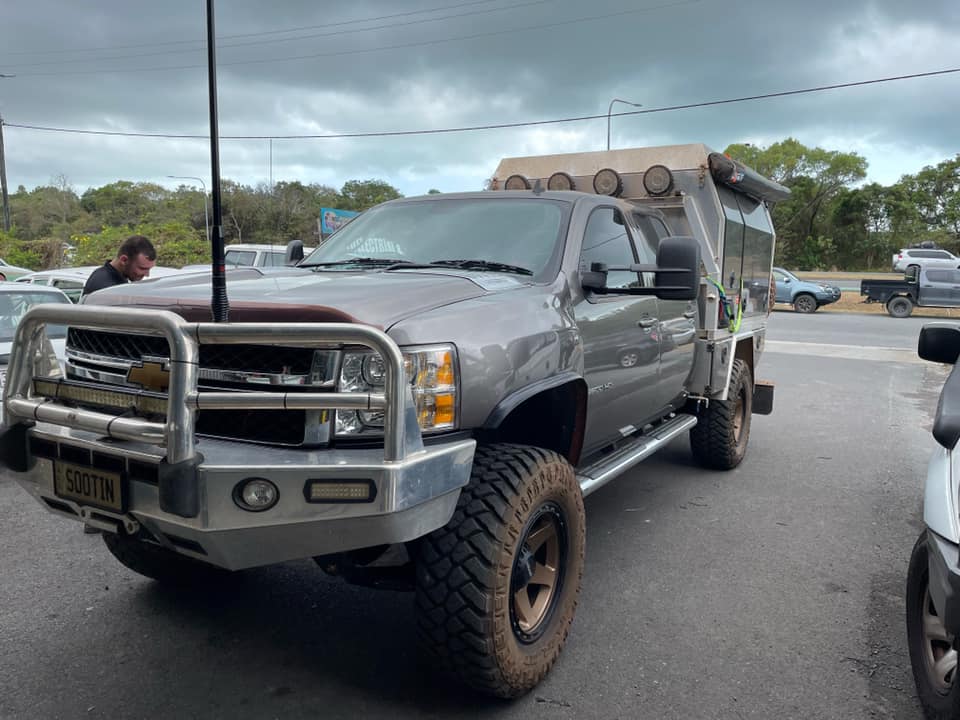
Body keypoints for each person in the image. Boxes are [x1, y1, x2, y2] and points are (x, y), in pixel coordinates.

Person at [81, 235, 156, 534]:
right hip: (105, 382)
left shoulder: (114, 280)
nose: (145, 275)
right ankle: (100, 513)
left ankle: (102, 512)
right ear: (124, 259)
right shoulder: (105, 285)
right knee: (111, 446)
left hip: (110, 379)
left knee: (114, 445)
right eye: (141, 268)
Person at [82, 235, 157, 297]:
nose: (147, 275)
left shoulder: (116, 280)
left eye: (149, 269)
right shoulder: (106, 287)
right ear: (124, 260)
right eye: (142, 268)